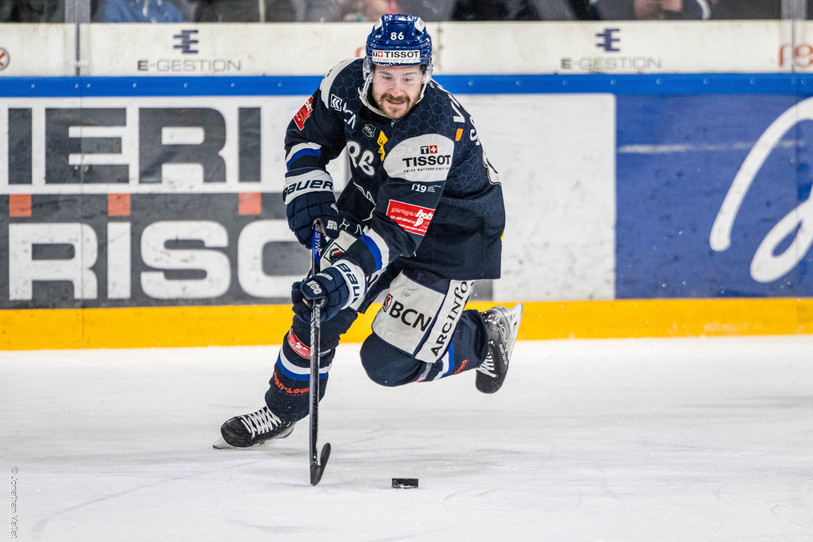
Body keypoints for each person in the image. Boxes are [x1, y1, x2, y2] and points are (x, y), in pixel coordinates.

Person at [215, 14, 523, 449]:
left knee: (386, 365)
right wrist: (307, 187)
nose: (397, 89)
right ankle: (283, 410)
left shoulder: (431, 128)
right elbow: (306, 136)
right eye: (386, 75)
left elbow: (399, 233)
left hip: (448, 237)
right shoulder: (341, 83)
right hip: (374, 204)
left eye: (409, 77)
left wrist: (346, 275)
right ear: (368, 68)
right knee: (318, 306)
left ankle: (482, 337)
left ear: (425, 75)